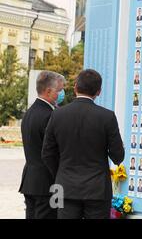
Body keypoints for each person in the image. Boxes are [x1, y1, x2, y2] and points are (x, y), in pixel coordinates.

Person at [42, 69, 125, 219]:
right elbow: (118, 156)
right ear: (99, 91)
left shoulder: (57, 114)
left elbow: (47, 153)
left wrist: (61, 172)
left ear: (75, 87)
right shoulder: (107, 117)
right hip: (97, 190)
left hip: (65, 188)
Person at [19, 71, 66, 219]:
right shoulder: (50, 115)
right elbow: (52, 152)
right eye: (60, 90)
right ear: (48, 91)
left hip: (30, 180)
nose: (61, 93)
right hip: (48, 183)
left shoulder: (29, 112)